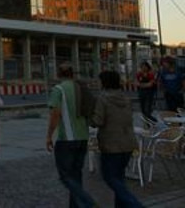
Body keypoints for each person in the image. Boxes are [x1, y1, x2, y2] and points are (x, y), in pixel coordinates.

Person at [46, 62, 97, 208]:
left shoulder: (58, 89)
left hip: (67, 139)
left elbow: (55, 114)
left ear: (58, 74)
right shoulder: (81, 88)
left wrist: (49, 136)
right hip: (83, 137)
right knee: (76, 174)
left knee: (65, 176)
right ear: (72, 73)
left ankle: (88, 203)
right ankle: (76, 205)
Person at [91, 70, 142, 208]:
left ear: (105, 82)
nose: (98, 83)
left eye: (99, 80)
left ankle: (135, 205)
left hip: (111, 144)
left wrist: (88, 118)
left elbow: (98, 121)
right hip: (128, 143)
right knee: (119, 178)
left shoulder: (103, 99)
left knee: (110, 178)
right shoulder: (125, 98)